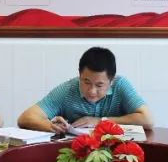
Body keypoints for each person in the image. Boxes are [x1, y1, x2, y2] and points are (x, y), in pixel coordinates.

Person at [17, 47, 154, 133]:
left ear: (111, 80)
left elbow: (147, 120)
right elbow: (25, 118)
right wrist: (50, 126)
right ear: (80, 74)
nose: (92, 91)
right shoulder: (68, 90)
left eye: (99, 85)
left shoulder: (120, 85)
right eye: (86, 82)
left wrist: (100, 121)